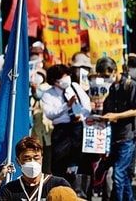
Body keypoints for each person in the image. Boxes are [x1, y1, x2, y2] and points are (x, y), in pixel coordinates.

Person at [41, 64, 92, 195]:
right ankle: (62, 192)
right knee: (60, 163)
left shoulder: (74, 87)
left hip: (77, 127)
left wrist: (82, 115)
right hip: (61, 130)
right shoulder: (48, 94)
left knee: (79, 162)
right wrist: (66, 106)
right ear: (55, 80)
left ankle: (80, 193)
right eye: (63, 76)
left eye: (67, 75)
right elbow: (50, 113)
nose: (67, 78)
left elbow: (86, 104)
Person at [96, 57, 136, 201]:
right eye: (102, 76)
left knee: (118, 173)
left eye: (106, 75)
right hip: (113, 136)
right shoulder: (112, 89)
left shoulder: (130, 85)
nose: (105, 78)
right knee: (124, 176)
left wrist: (117, 116)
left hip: (127, 136)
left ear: (115, 71)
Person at [0, 136, 71, 200]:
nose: (32, 162)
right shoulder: (10, 189)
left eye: (36, 158)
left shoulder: (59, 184)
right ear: (18, 161)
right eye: (27, 158)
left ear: (42, 158)